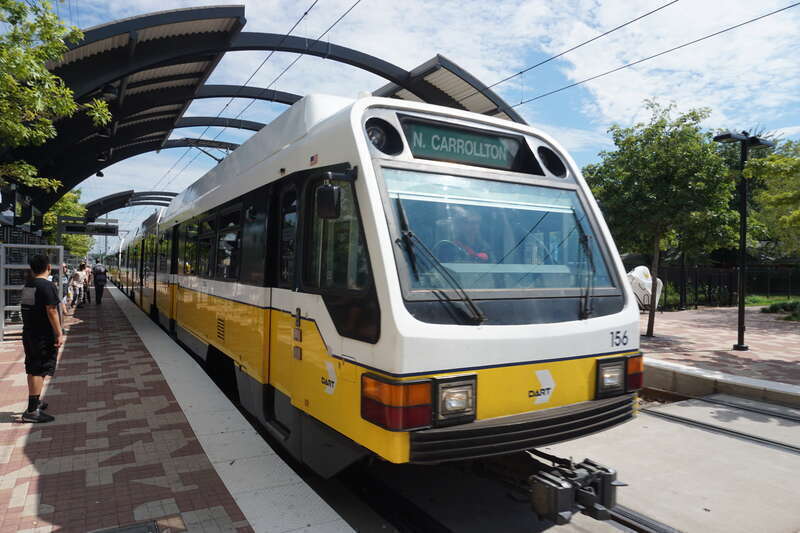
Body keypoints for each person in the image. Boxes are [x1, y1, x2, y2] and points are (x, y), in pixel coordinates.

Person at [20, 254, 63, 423]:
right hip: (43, 335)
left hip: (30, 332)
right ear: (48, 267)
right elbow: (51, 310)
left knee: (32, 367)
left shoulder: (29, 285)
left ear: (31, 268)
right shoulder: (46, 285)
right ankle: (32, 411)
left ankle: (35, 401)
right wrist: (59, 333)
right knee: (39, 369)